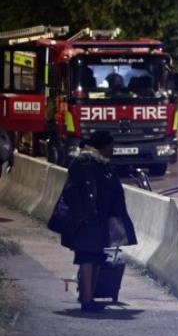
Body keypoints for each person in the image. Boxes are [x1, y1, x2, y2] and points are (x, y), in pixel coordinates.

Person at [56, 130, 137, 312]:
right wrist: (83, 213)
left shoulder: (103, 165)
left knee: (96, 257)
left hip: (99, 219)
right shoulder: (83, 162)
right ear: (102, 146)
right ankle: (86, 299)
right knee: (86, 256)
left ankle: (89, 297)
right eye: (111, 145)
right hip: (85, 219)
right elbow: (72, 191)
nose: (113, 149)